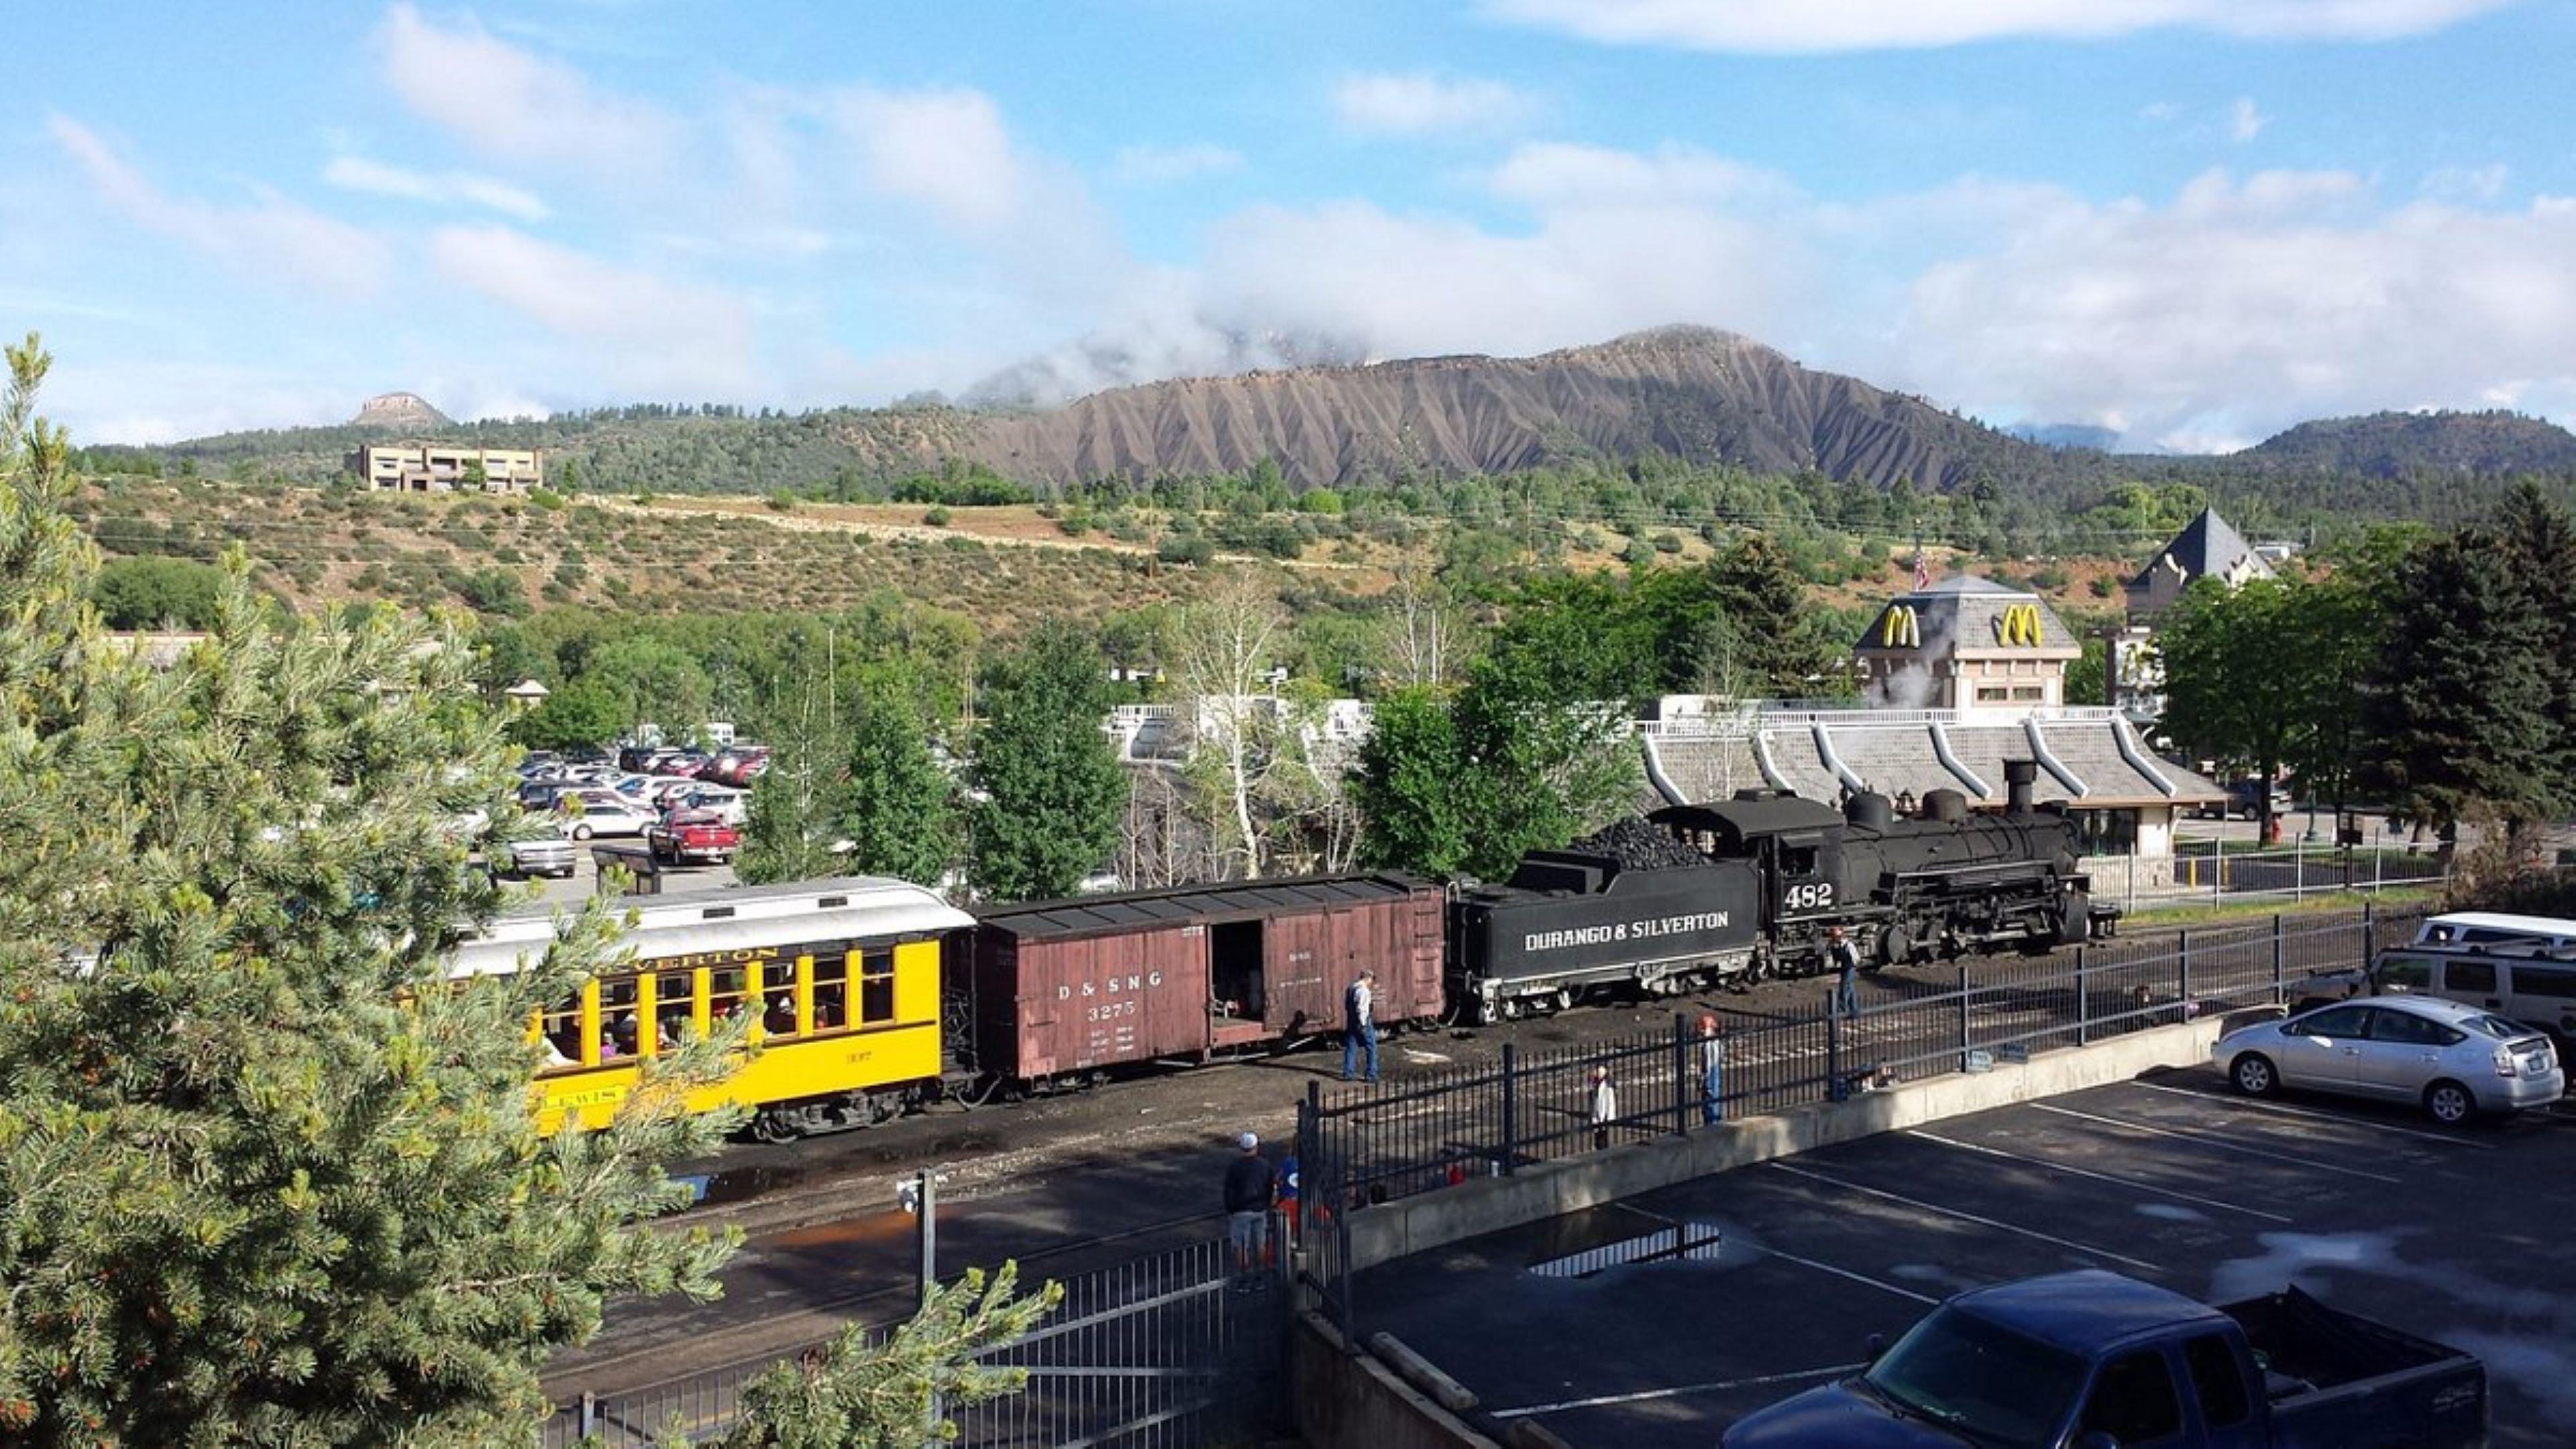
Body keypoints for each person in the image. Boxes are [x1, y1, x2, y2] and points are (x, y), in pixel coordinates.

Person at [1222, 1132, 1275, 1291]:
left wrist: (1230, 1209)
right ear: (1256, 1147)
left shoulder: (1235, 1167)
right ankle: (1261, 1277)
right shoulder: (1265, 1165)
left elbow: (1228, 1191)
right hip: (1260, 1209)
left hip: (1240, 1211)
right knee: (1260, 1244)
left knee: (1240, 1246)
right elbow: (1270, 1187)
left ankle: (1244, 1279)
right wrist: (1266, 1204)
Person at [1341, 969, 1379, 1084]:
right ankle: (1371, 1074)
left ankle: (1348, 1072)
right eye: (1372, 980)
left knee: (1351, 1047)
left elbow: (1347, 1006)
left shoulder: (1351, 989)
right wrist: (1363, 1024)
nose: (1372, 983)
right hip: (1363, 1022)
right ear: (1368, 978)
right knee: (1371, 1047)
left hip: (1351, 1021)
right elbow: (1362, 1009)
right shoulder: (1364, 991)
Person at [1698, 1014, 1727, 1126]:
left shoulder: (1709, 1043)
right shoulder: (1717, 1042)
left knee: (1710, 1099)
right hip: (1714, 1069)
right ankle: (1715, 1121)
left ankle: (1711, 1123)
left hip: (1711, 1071)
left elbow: (1708, 1062)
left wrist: (1705, 1077)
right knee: (1714, 1099)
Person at [1829, 927, 1862, 1018]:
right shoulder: (1836, 946)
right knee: (1851, 989)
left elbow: (1856, 957)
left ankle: (1841, 1009)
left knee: (1844, 987)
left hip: (1850, 968)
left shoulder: (1848, 945)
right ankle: (1854, 1011)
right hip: (1844, 968)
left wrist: (1855, 966)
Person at [1589, 1064, 1617, 1150]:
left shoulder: (1607, 1085)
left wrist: (1610, 1116)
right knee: (1598, 1133)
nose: (1596, 1073)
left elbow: (1610, 1102)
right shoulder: (1595, 1084)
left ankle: (1602, 1149)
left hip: (1604, 1113)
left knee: (1602, 1134)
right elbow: (1593, 1100)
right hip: (1598, 1112)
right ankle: (1599, 1147)